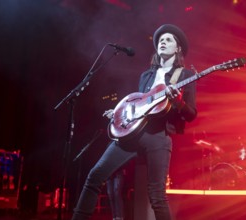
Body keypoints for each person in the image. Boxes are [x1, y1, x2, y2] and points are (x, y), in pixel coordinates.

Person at [72, 24, 197, 220]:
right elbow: (139, 103)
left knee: (156, 196)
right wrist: (121, 113)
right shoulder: (146, 75)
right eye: (160, 40)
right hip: (132, 133)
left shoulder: (185, 76)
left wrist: (179, 103)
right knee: (95, 176)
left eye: (168, 39)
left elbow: (191, 114)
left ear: (178, 48)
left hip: (158, 136)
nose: (162, 42)